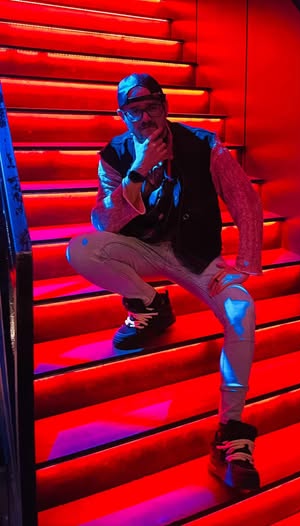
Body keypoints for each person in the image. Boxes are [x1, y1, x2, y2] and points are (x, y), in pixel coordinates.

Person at [66, 73, 263, 491]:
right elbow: (104, 222)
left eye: (151, 107)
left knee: (241, 309)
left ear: (165, 107)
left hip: (196, 258)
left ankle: (230, 432)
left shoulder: (204, 144)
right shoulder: (115, 156)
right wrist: (138, 172)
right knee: (81, 248)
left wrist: (244, 263)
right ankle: (150, 304)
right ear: (122, 116)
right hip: (143, 248)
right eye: (133, 111)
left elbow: (245, 200)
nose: (144, 118)